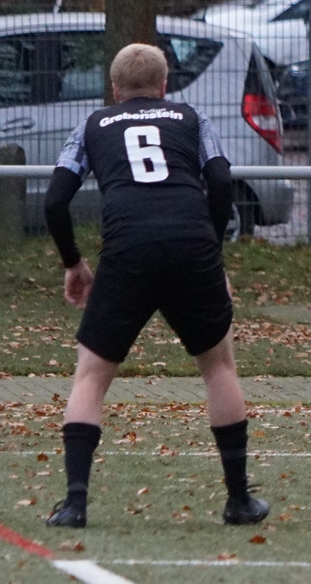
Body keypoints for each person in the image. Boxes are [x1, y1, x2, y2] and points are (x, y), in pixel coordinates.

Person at [42, 43, 268, 527]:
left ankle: (75, 505)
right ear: (165, 86)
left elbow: (55, 201)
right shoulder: (191, 118)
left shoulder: (92, 125)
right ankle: (238, 501)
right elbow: (221, 181)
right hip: (191, 246)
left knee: (90, 376)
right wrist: (211, 252)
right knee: (218, 367)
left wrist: (74, 263)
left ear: (114, 89)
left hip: (127, 250)